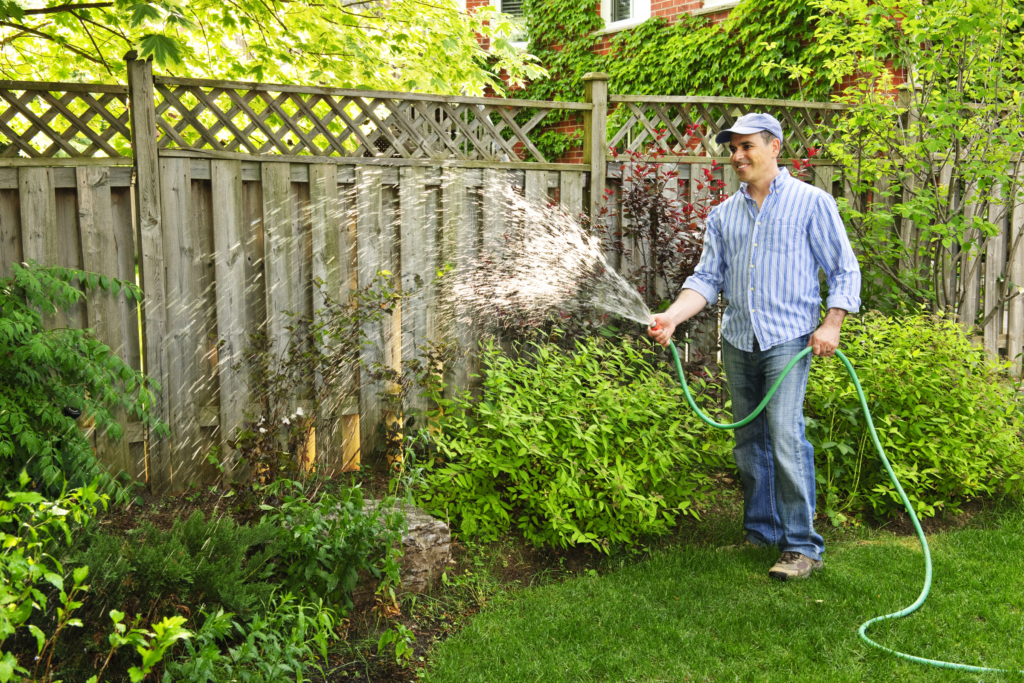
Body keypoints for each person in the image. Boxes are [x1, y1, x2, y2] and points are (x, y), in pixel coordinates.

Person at [648, 112, 861, 581]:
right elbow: (706, 280)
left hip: (788, 340)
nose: (737, 156)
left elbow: (844, 269)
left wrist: (832, 324)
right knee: (749, 441)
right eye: (733, 148)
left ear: (775, 147)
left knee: (785, 435)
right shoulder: (724, 214)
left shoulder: (811, 203)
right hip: (740, 340)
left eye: (747, 146)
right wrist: (672, 317)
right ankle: (761, 531)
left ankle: (802, 545)